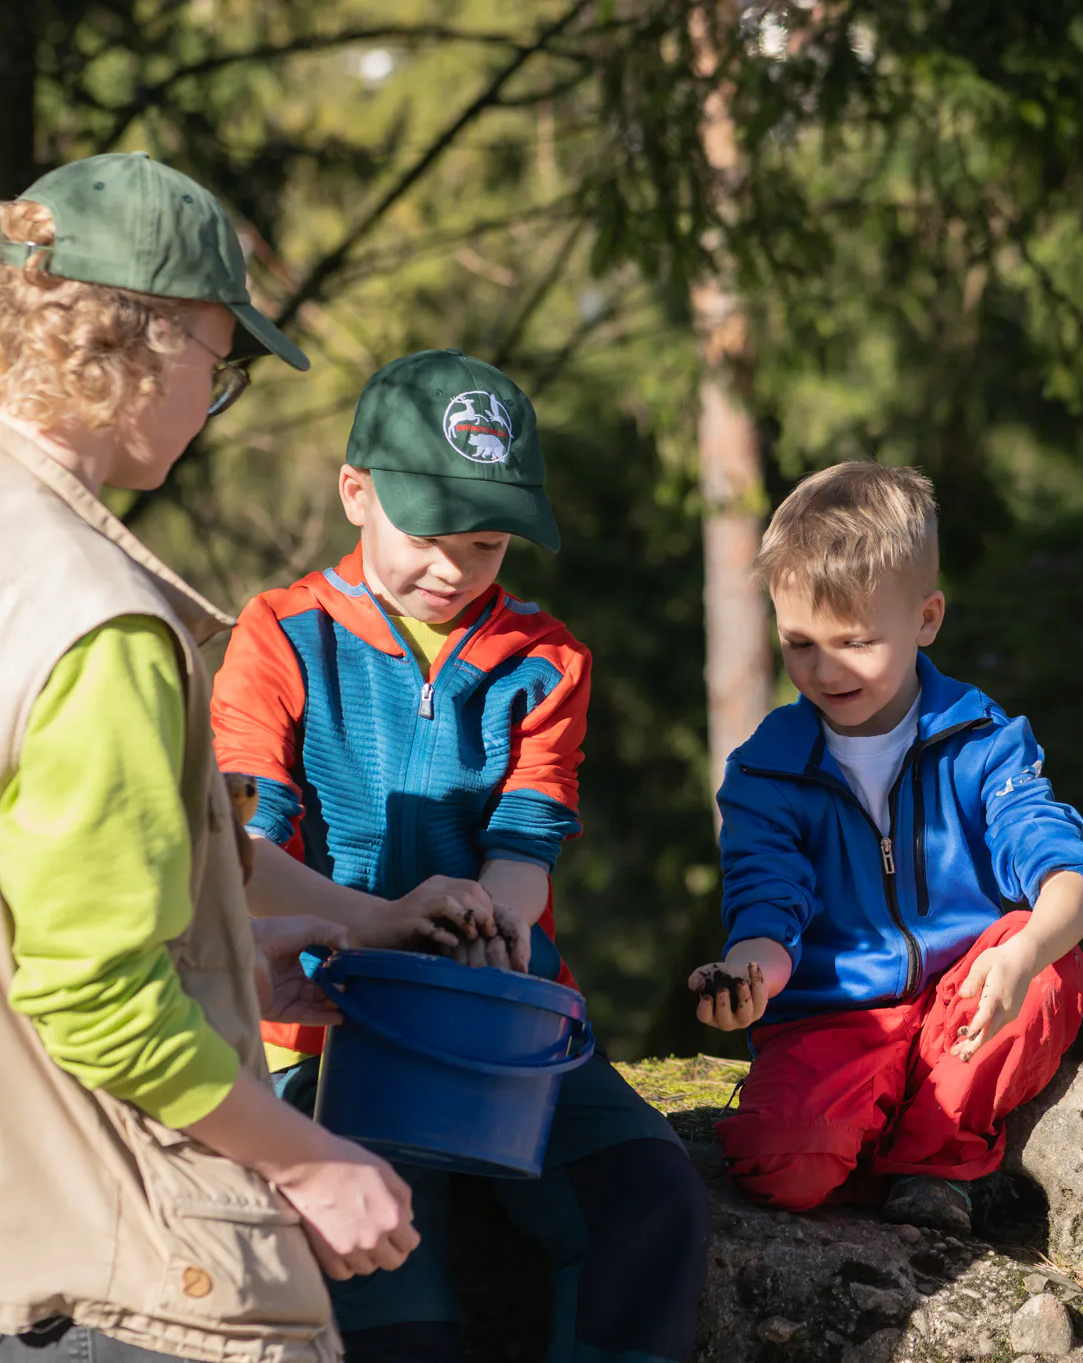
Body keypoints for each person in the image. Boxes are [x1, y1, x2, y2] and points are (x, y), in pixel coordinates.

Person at [0, 152, 419, 1363]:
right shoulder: (101, 624)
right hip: (87, 1265)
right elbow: (97, 1001)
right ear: (148, 340)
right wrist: (311, 1157)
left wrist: (281, 946)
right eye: (219, 359)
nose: (215, 394)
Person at [210, 349, 710, 1363]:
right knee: (399, 1279)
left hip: (499, 1020)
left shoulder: (546, 656)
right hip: (318, 1028)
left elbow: (525, 846)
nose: (452, 568)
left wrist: (495, 919)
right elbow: (240, 856)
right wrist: (377, 925)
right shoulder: (278, 637)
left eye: (484, 544)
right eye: (429, 536)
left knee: (650, 1197)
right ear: (356, 492)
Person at [688, 461, 1083, 1235]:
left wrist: (1023, 953)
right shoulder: (765, 768)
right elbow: (766, 900)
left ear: (927, 617)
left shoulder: (983, 740)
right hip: (836, 1018)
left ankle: (937, 1161)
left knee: (1045, 963)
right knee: (780, 1166)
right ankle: (878, 1122)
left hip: (967, 1001)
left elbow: (1064, 872)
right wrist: (750, 974)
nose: (824, 669)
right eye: (800, 643)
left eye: (855, 641)